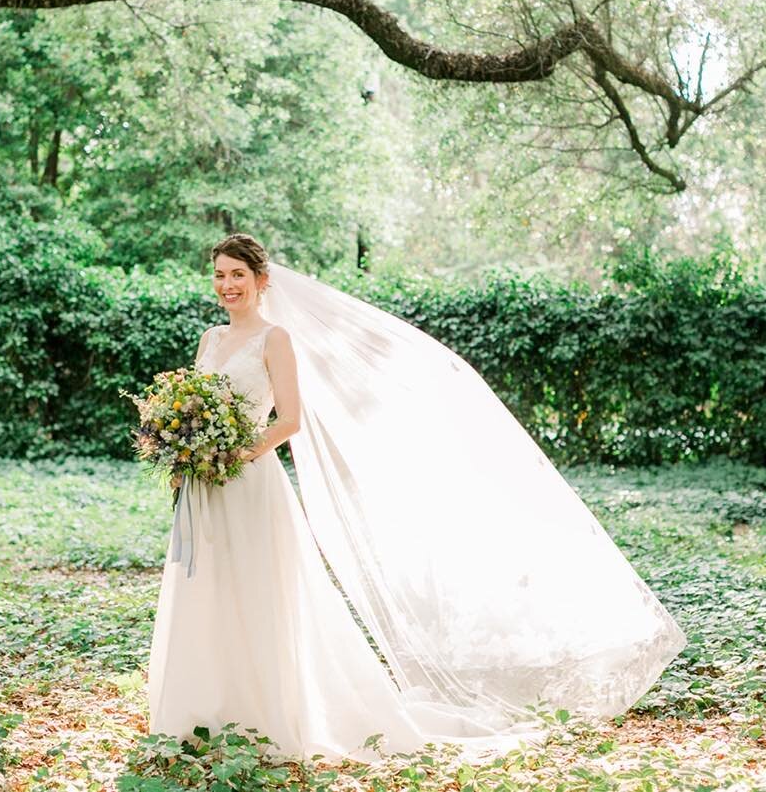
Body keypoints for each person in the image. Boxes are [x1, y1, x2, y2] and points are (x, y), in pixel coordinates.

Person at [146, 233, 687, 763]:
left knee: (259, 597)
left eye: (237, 274)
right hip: (206, 487)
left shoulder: (275, 339)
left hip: (251, 482)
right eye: (219, 275)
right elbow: (196, 406)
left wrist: (234, 455)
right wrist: (187, 452)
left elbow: (290, 419)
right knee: (209, 590)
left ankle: (266, 715)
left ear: (261, 281)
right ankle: (209, 711)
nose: (227, 285)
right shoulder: (211, 341)